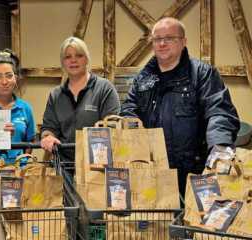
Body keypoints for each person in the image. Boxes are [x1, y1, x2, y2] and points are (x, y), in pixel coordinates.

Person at [120, 17, 240, 197]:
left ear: (183, 41)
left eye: (169, 38)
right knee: (157, 223)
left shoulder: (202, 73)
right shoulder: (143, 79)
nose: (162, 43)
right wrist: (131, 124)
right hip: (153, 172)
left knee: (193, 222)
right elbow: (129, 108)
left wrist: (220, 146)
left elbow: (219, 111)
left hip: (195, 172)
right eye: (157, 39)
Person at [41, 36, 121, 166]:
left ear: (87, 59)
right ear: (63, 62)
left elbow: (113, 126)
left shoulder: (105, 89)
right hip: (64, 166)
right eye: (68, 57)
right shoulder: (55, 95)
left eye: (79, 55)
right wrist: (48, 137)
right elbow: (49, 127)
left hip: (98, 166)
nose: (73, 60)